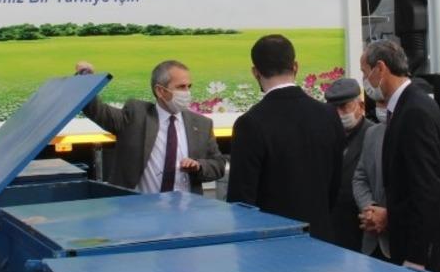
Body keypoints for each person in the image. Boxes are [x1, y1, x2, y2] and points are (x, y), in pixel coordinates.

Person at [359, 40, 440, 272]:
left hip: (425, 251)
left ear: (380, 68)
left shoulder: (415, 111)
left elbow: (425, 188)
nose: (365, 81)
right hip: (417, 243)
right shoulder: (406, 106)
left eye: (364, 73)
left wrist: (417, 256)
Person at [227, 34, 345, 229]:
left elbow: (241, 202)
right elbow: (335, 184)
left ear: (255, 72)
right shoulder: (328, 114)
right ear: (295, 66)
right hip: (322, 238)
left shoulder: (250, 123)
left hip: (273, 244)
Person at [76, 59, 226, 194]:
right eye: (181, 87)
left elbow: (218, 165)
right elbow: (97, 111)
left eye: (189, 86)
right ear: (160, 90)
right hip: (139, 212)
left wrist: (199, 166)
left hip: (185, 212)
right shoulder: (135, 115)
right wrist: (85, 79)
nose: (187, 92)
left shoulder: (201, 124)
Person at [317, 78, 370, 250]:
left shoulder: (373, 135)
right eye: (334, 108)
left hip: (361, 231)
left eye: (344, 107)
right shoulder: (323, 137)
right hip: (330, 232)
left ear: (360, 106)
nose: (339, 114)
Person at [353, 96, 391, 259]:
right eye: (378, 102)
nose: (381, 107)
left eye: (385, 102)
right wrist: (369, 209)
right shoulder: (373, 133)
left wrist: (388, 216)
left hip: (397, 243)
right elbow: (360, 177)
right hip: (372, 243)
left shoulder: (413, 132)